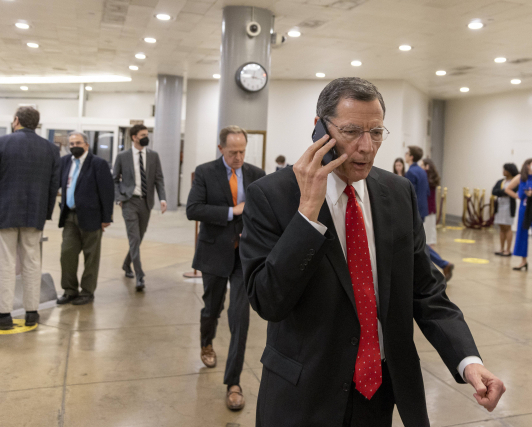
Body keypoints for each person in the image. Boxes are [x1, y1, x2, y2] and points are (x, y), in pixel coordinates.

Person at [240, 77, 505, 427]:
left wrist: (467, 360)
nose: (366, 147)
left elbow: (425, 290)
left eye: (377, 132)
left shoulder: (397, 193)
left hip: (378, 392)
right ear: (319, 128)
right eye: (352, 131)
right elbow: (267, 300)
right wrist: (306, 214)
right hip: (304, 393)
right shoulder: (271, 195)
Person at [186, 125, 265, 411]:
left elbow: (264, 212)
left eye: (242, 151)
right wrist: (233, 211)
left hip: (244, 257)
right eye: (232, 152)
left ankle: (234, 383)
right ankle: (206, 342)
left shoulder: (257, 174)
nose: (238, 157)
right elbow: (193, 209)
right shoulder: (205, 172)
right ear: (221, 149)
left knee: (240, 317)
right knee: (212, 308)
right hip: (214, 253)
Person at [0, 107, 60, 330]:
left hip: (4, 211)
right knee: (32, 262)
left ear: (16, 120)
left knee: (5, 262)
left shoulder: (3, 143)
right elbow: (55, 185)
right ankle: (32, 312)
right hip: (34, 213)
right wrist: (45, 212)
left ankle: (4, 315)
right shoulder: (51, 149)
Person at [56, 132, 114, 306]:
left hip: (92, 217)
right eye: (71, 144)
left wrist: (106, 218)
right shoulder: (65, 161)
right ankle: (69, 290)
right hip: (69, 216)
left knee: (91, 257)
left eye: (78, 143)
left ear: (86, 145)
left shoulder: (98, 164)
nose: (74, 146)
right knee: (67, 254)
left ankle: (87, 292)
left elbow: (107, 192)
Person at [113, 124, 167, 292]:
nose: (146, 137)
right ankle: (140, 275)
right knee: (134, 238)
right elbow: (114, 179)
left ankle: (126, 264)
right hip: (129, 201)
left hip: (146, 202)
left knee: (139, 237)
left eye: (147, 134)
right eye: (143, 134)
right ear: (134, 137)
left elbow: (159, 179)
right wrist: (119, 198)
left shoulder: (153, 156)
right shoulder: (123, 156)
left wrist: (162, 198)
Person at [404, 147, 454, 281]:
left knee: (416, 242)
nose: (405, 155)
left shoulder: (411, 172)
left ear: (411, 157)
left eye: (407, 153)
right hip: (423, 210)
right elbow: (426, 192)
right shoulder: (422, 171)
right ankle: (442, 264)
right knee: (417, 241)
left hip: (414, 211)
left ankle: (441, 265)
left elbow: (409, 194)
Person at [492, 163, 519, 256]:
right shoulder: (501, 181)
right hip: (500, 206)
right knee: (501, 227)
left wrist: (504, 192)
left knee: (507, 227)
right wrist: (504, 192)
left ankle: (508, 249)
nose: (503, 172)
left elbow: (513, 191)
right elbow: (494, 191)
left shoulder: (515, 181)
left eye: (505, 170)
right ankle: (501, 248)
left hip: (508, 206)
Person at [421, 158, 440, 247]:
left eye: (422, 165)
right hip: (431, 207)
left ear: (427, 167)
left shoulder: (426, 178)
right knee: (430, 230)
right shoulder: (433, 178)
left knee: (428, 231)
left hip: (427, 207)